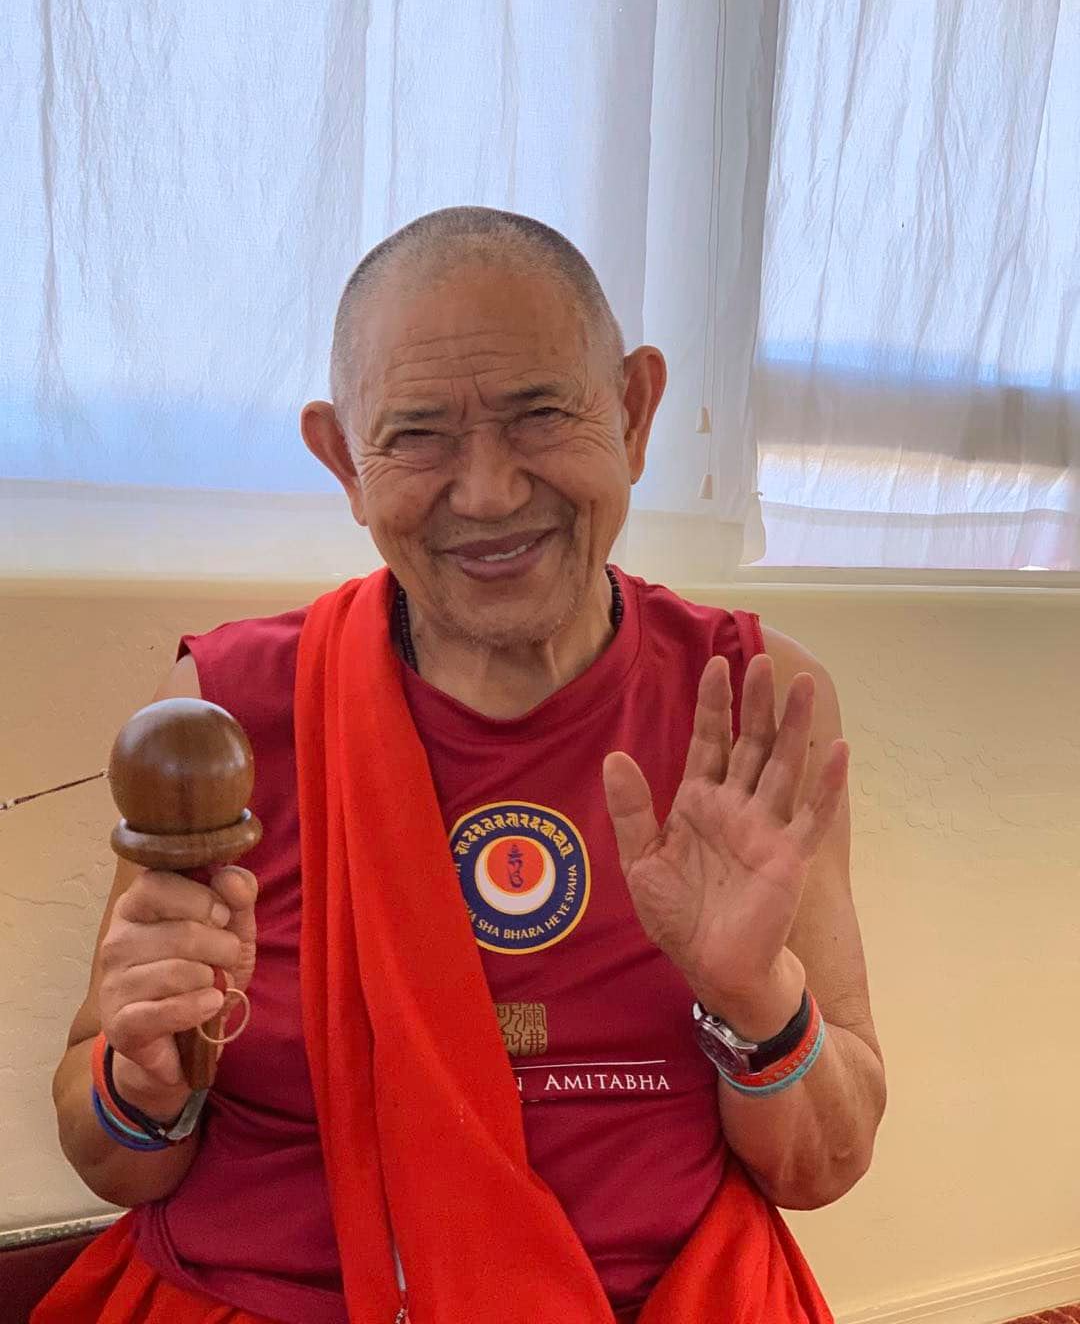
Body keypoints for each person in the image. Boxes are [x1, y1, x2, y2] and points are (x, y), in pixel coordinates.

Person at [37, 207, 886, 1324]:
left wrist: (752, 996)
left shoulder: (749, 704)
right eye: (418, 435)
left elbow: (822, 1165)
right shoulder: (222, 722)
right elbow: (112, 1157)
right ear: (344, 460)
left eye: (541, 413)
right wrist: (142, 1080)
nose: (487, 492)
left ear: (634, 413)